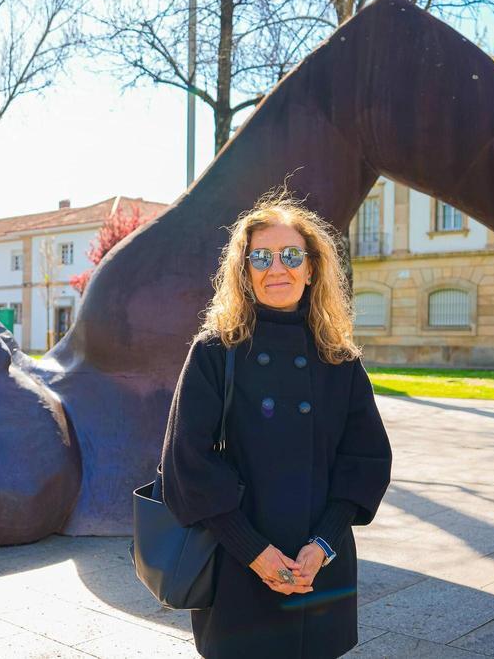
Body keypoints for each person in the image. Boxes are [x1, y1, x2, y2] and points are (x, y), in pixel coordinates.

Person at [160, 190, 393, 659]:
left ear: (311, 269)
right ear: (244, 272)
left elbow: (364, 461)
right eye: (260, 257)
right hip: (236, 565)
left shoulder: (340, 359)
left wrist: (323, 544)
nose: (276, 268)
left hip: (320, 569)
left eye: (291, 255)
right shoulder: (214, 352)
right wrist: (254, 552)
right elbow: (188, 464)